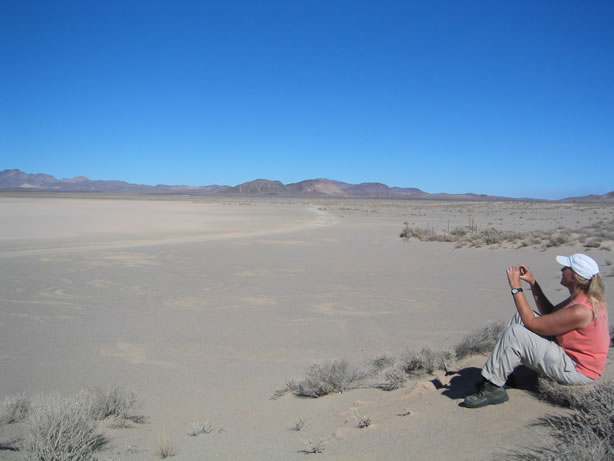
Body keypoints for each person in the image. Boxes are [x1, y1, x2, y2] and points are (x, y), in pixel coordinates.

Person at [463, 253, 609, 408]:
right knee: (521, 318)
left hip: (577, 370)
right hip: (570, 355)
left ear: (575, 276)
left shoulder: (581, 310)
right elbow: (551, 313)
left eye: (566, 268)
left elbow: (532, 323)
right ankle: (502, 374)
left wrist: (515, 287)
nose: (562, 269)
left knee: (516, 333)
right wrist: (533, 283)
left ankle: (492, 389)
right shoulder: (583, 297)